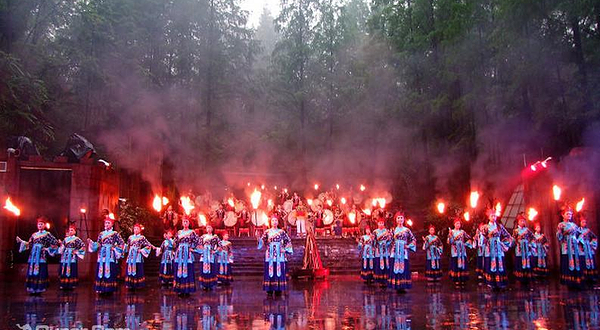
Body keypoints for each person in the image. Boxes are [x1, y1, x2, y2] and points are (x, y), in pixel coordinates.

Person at [16, 216, 59, 294]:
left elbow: (55, 243)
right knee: (31, 270)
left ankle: (40, 288)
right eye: (39, 224)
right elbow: (29, 244)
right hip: (33, 256)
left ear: (45, 225)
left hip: (41, 255)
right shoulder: (34, 235)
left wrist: (47, 249)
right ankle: (31, 287)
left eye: (41, 224)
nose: (40, 226)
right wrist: (21, 242)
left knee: (41, 270)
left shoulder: (47, 234)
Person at [88, 215, 125, 294]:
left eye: (108, 223)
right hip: (102, 254)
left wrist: (114, 248)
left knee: (110, 270)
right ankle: (101, 288)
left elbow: (122, 243)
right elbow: (98, 244)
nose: (106, 225)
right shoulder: (101, 234)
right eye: (105, 223)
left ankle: (109, 288)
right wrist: (91, 243)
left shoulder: (115, 234)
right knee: (101, 270)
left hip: (110, 254)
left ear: (112, 224)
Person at [258, 217, 293, 295]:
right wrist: (258, 239)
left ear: (278, 222)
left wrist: (285, 249)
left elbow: (288, 241)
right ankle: (269, 288)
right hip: (269, 254)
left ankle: (278, 288)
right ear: (270, 222)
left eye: (276, 220)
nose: (274, 222)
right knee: (270, 269)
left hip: (279, 253)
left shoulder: (282, 232)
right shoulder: (267, 232)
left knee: (279, 269)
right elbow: (262, 242)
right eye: (273, 220)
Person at [483, 207, 512, 290]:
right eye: (492, 216)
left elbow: (507, 236)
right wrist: (487, 238)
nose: (493, 217)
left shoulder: (499, 226)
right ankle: (491, 284)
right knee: (491, 265)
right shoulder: (485, 227)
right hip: (490, 249)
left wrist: (503, 244)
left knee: (500, 265)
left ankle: (500, 283)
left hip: (498, 249)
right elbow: (482, 238)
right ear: (488, 217)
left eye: (495, 216)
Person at [556, 206, 583, 288]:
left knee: (576, 262)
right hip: (566, 247)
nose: (569, 215)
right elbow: (559, 236)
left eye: (570, 214)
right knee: (568, 262)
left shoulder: (574, 225)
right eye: (567, 214)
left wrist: (578, 240)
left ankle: (576, 281)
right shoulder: (561, 225)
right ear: (563, 215)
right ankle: (569, 282)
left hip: (575, 246)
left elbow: (580, 234)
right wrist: (564, 233)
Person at [388, 212, 416, 292]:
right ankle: (396, 285)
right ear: (396, 220)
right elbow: (389, 241)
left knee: (404, 267)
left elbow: (413, 240)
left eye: (401, 218)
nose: (400, 219)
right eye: (398, 218)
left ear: (404, 219)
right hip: (395, 251)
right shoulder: (393, 230)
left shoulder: (407, 230)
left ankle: (403, 285)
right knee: (395, 267)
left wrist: (408, 246)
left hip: (403, 252)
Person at [173, 216, 200, 296]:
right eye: (184, 221)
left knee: (187, 269)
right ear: (182, 223)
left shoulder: (192, 232)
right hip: (179, 253)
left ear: (189, 223)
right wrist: (175, 250)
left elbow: (197, 241)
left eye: (187, 222)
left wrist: (192, 248)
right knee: (179, 269)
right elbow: (175, 242)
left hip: (187, 253)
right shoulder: (179, 232)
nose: (185, 223)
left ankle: (187, 289)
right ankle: (179, 289)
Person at [124, 223, 153, 290]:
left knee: (138, 268)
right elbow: (127, 246)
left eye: (137, 229)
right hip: (131, 255)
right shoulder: (130, 237)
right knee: (130, 268)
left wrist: (142, 250)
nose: (136, 230)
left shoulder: (142, 238)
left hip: (137, 255)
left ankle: (138, 284)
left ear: (140, 230)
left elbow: (148, 245)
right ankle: (130, 284)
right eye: (134, 229)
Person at [57, 225, 85, 290]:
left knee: (71, 270)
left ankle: (71, 284)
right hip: (65, 257)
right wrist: (61, 244)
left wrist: (76, 251)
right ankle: (63, 284)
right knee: (64, 269)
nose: (70, 231)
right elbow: (62, 248)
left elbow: (83, 246)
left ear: (75, 232)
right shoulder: (65, 239)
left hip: (72, 257)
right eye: (69, 230)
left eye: (72, 230)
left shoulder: (77, 239)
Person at [448, 218, 472, 287]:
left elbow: (469, 238)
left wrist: (466, 244)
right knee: (456, 265)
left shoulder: (462, 232)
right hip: (455, 251)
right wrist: (451, 236)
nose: (458, 225)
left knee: (463, 265)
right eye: (456, 223)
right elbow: (450, 242)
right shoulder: (451, 232)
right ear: (454, 224)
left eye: (459, 223)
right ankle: (456, 280)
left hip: (462, 251)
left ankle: (463, 279)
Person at [513, 213, 534, 284]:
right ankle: (520, 277)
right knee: (519, 261)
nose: (523, 222)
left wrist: (531, 244)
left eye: (524, 221)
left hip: (526, 248)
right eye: (521, 221)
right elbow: (513, 240)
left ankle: (527, 277)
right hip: (519, 248)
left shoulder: (527, 230)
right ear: (518, 222)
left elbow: (533, 237)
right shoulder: (516, 231)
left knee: (527, 261)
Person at [198, 225, 220, 290]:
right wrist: (203, 249)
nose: (209, 228)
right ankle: (204, 284)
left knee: (211, 270)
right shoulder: (203, 236)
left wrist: (215, 251)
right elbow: (199, 244)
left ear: (212, 229)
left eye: (210, 227)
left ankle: (210, 284)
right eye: (207, 227)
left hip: (210, 256)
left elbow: (220, 245)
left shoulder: (215, 237)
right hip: (204, 255)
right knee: (203, 269)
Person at [578, 215, 598, 286]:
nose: (584, 223)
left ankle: (592, 276)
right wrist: (581, 242)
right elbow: (576, 239)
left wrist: (591, 243)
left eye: (585, 222)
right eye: (582, 222)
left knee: (591, 261)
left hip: (588, 247)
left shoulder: (588, 231)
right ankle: (584, 276)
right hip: (582, 249)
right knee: (583, 261)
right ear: (579, 223)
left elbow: (594, 238)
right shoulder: (577, 230)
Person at [373, 218, 391, 286]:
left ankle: (386, 280)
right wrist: (375, 244)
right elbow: (373, 242)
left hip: (385, 250)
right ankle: (380, 281)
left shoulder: (387, 231)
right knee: (379, 265)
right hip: (379, 250)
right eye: (379, 223)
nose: (381, 224)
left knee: (386, 264)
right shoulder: (375, 232)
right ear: (377, 224)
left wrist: (388, 242)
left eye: (382, 223)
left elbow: (390, 241)